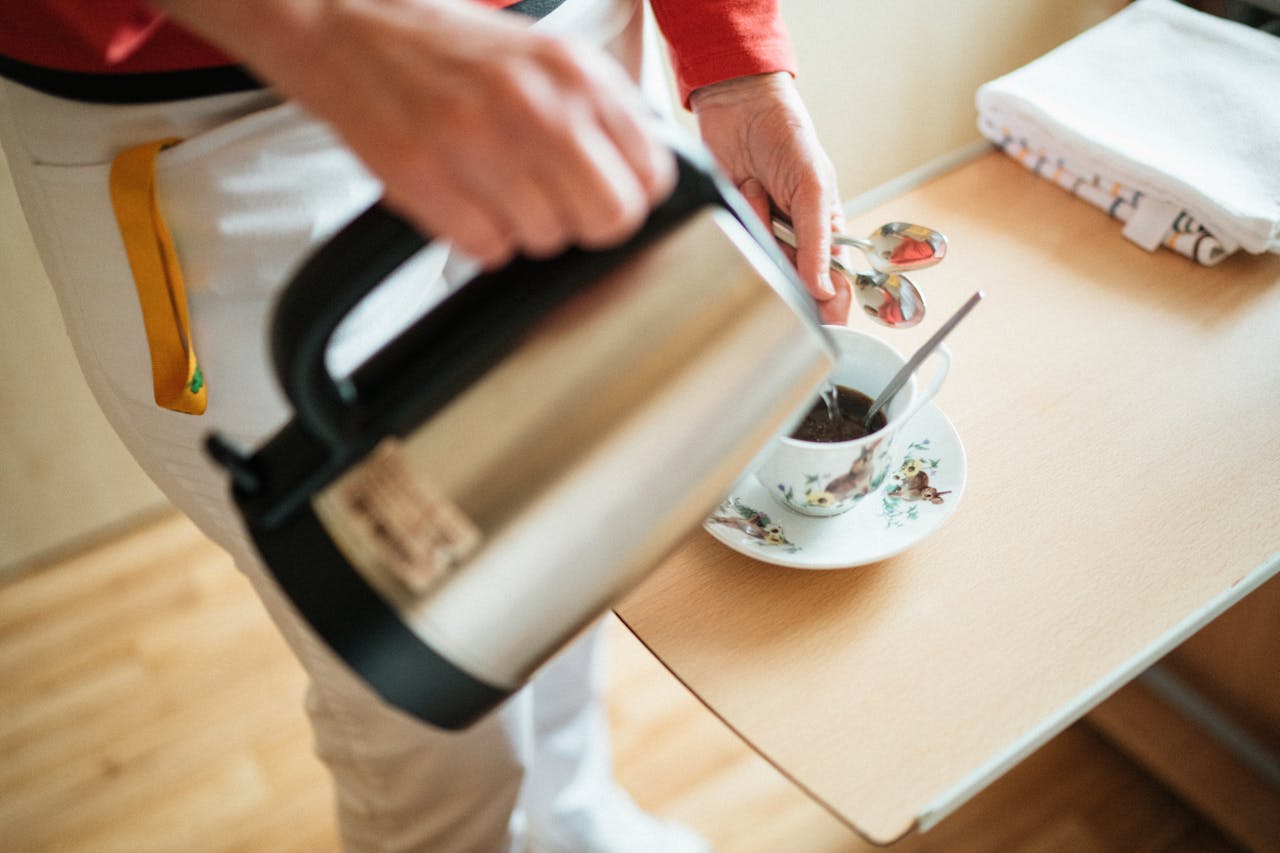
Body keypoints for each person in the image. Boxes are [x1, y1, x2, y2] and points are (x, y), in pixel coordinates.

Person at [0, 1, 849, 850]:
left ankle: (567, 814)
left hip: (568, 45)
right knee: (421, 694)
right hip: (240, 98)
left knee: (582, 515)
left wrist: (733, 54)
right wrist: (323, 27)